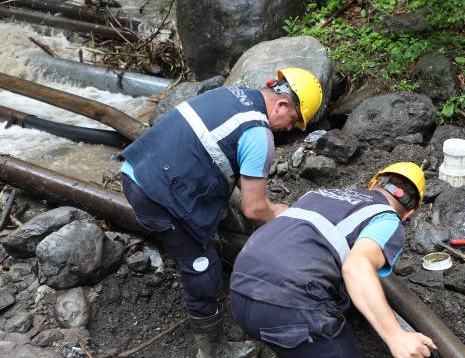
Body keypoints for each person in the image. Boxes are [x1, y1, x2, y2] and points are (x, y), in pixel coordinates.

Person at [119, 68, 323, 358]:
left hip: (137, 169)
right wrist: (282, 219)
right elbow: (254, 209)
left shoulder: (231, 94)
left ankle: (218, 224)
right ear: (281, 105)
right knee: (204, 271)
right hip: (156, 196)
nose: (290, 129)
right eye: (293, 121)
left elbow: (218, 156)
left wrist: (272, 208)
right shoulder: (258, 134)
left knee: (222, 207)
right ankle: (213, 351)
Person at [230, 162, 437, 358]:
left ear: (374, 184)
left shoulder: (317, 194)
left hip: (239, 291)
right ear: (408, 213)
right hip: (288, 309)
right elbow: (356, 267)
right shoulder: (387, 218)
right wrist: (395, 336)